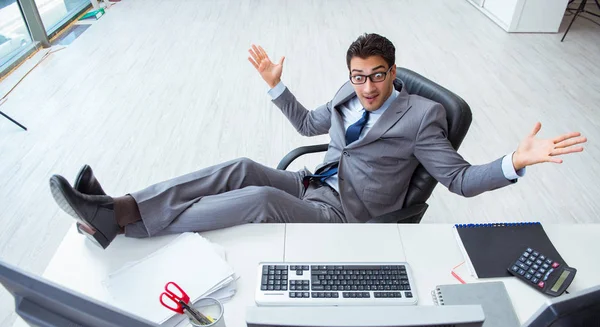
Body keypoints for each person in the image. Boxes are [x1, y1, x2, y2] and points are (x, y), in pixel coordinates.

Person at [49, 33, 587, 249]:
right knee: (241, 165)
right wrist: (275, 86)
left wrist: (515, 161)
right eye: (359, 76)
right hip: (313, 182)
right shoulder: (347, 92)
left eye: (377, 75)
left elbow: (460, 180)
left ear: (393, 73)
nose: (367, 87)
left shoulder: (423, 117)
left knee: (258, 199)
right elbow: (310, 125)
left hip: (345, 213)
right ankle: (119, 207)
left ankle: (128, 226)